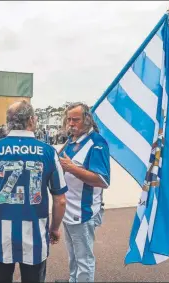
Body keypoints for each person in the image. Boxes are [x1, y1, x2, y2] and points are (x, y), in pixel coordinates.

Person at [0, 100, 67, 283]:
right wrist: (54, 229)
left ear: (8, 121)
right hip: (35, 236)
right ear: (31, 120)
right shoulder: (48, 152)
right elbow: (60, 199)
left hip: (1, 237)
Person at [58, 102, 110, 283]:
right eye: (69, 119)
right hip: (68, 209)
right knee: (73, 254)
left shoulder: (97, 143)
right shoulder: (71, 142)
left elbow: (102, 180)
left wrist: (71, 168)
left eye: (76, 120)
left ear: (87, 120)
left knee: (84, 257)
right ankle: (74, 279)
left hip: (83, 212)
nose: (71, 123)